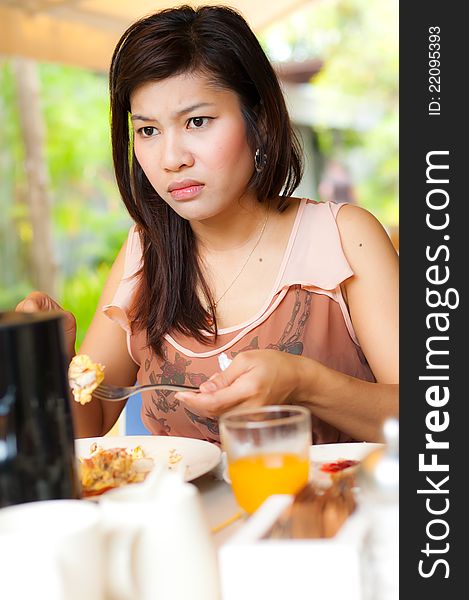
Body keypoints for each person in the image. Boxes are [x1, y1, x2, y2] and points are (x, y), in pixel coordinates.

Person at [16, 5, 398, 445]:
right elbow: (91, 422)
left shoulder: (345, 238)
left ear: (261, 121)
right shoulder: (145, 251)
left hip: (329, 511)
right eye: (148, 131)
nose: (171, 158)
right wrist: (47, 355)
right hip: (180, 516)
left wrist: (307, 384)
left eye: (197, 121)